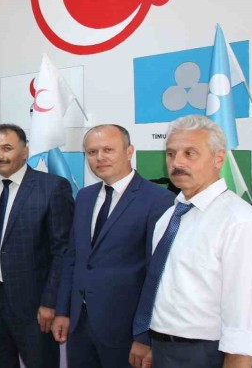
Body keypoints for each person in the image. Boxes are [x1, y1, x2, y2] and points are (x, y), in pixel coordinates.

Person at [132, 115, 252, 368]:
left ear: (219, 158)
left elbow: (245, 318)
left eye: (190, 153)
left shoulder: (239, 222)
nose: (177, 162)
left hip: (208, 354)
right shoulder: (170, 216)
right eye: (171, 154)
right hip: (165, 349)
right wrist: (156, 344)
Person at [51, 125, 173, 368]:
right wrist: (63, 310)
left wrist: (144, 336)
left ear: (129, 151)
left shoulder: (158, 200)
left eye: (108, 150)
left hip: (126, 330)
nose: (100, 157)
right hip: (80, 326)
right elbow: (73, 257)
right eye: (92, 152)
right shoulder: (84, 197)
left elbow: (157, 275)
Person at [0, 124, 73, 368]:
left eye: (6, 148)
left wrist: (51, 301)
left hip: (34, 302)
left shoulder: (52, 187)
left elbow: (62, 252)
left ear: (25, 152)